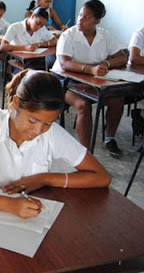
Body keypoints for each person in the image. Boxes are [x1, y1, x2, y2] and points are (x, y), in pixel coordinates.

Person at [0, 70, 110, 218]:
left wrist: (45, 178)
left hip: (30, 214)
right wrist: (9, 205)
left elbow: (101, 177)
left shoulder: (52, 133)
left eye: (47, 123)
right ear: (16, 103)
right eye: (33, 120)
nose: (38, 130)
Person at [51, 0, 128, 157]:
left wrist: (106, 63)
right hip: (64, 80)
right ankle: (85, 152)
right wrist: (90, 69)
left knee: (117, 100)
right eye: (80, 15)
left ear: (97, 20)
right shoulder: (69, 35)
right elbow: (65, 64)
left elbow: (122, 57)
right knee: (83, 104)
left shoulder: (104, 35)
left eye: (86, 17)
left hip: (92, 81)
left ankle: (109, 138)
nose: (80, 20)